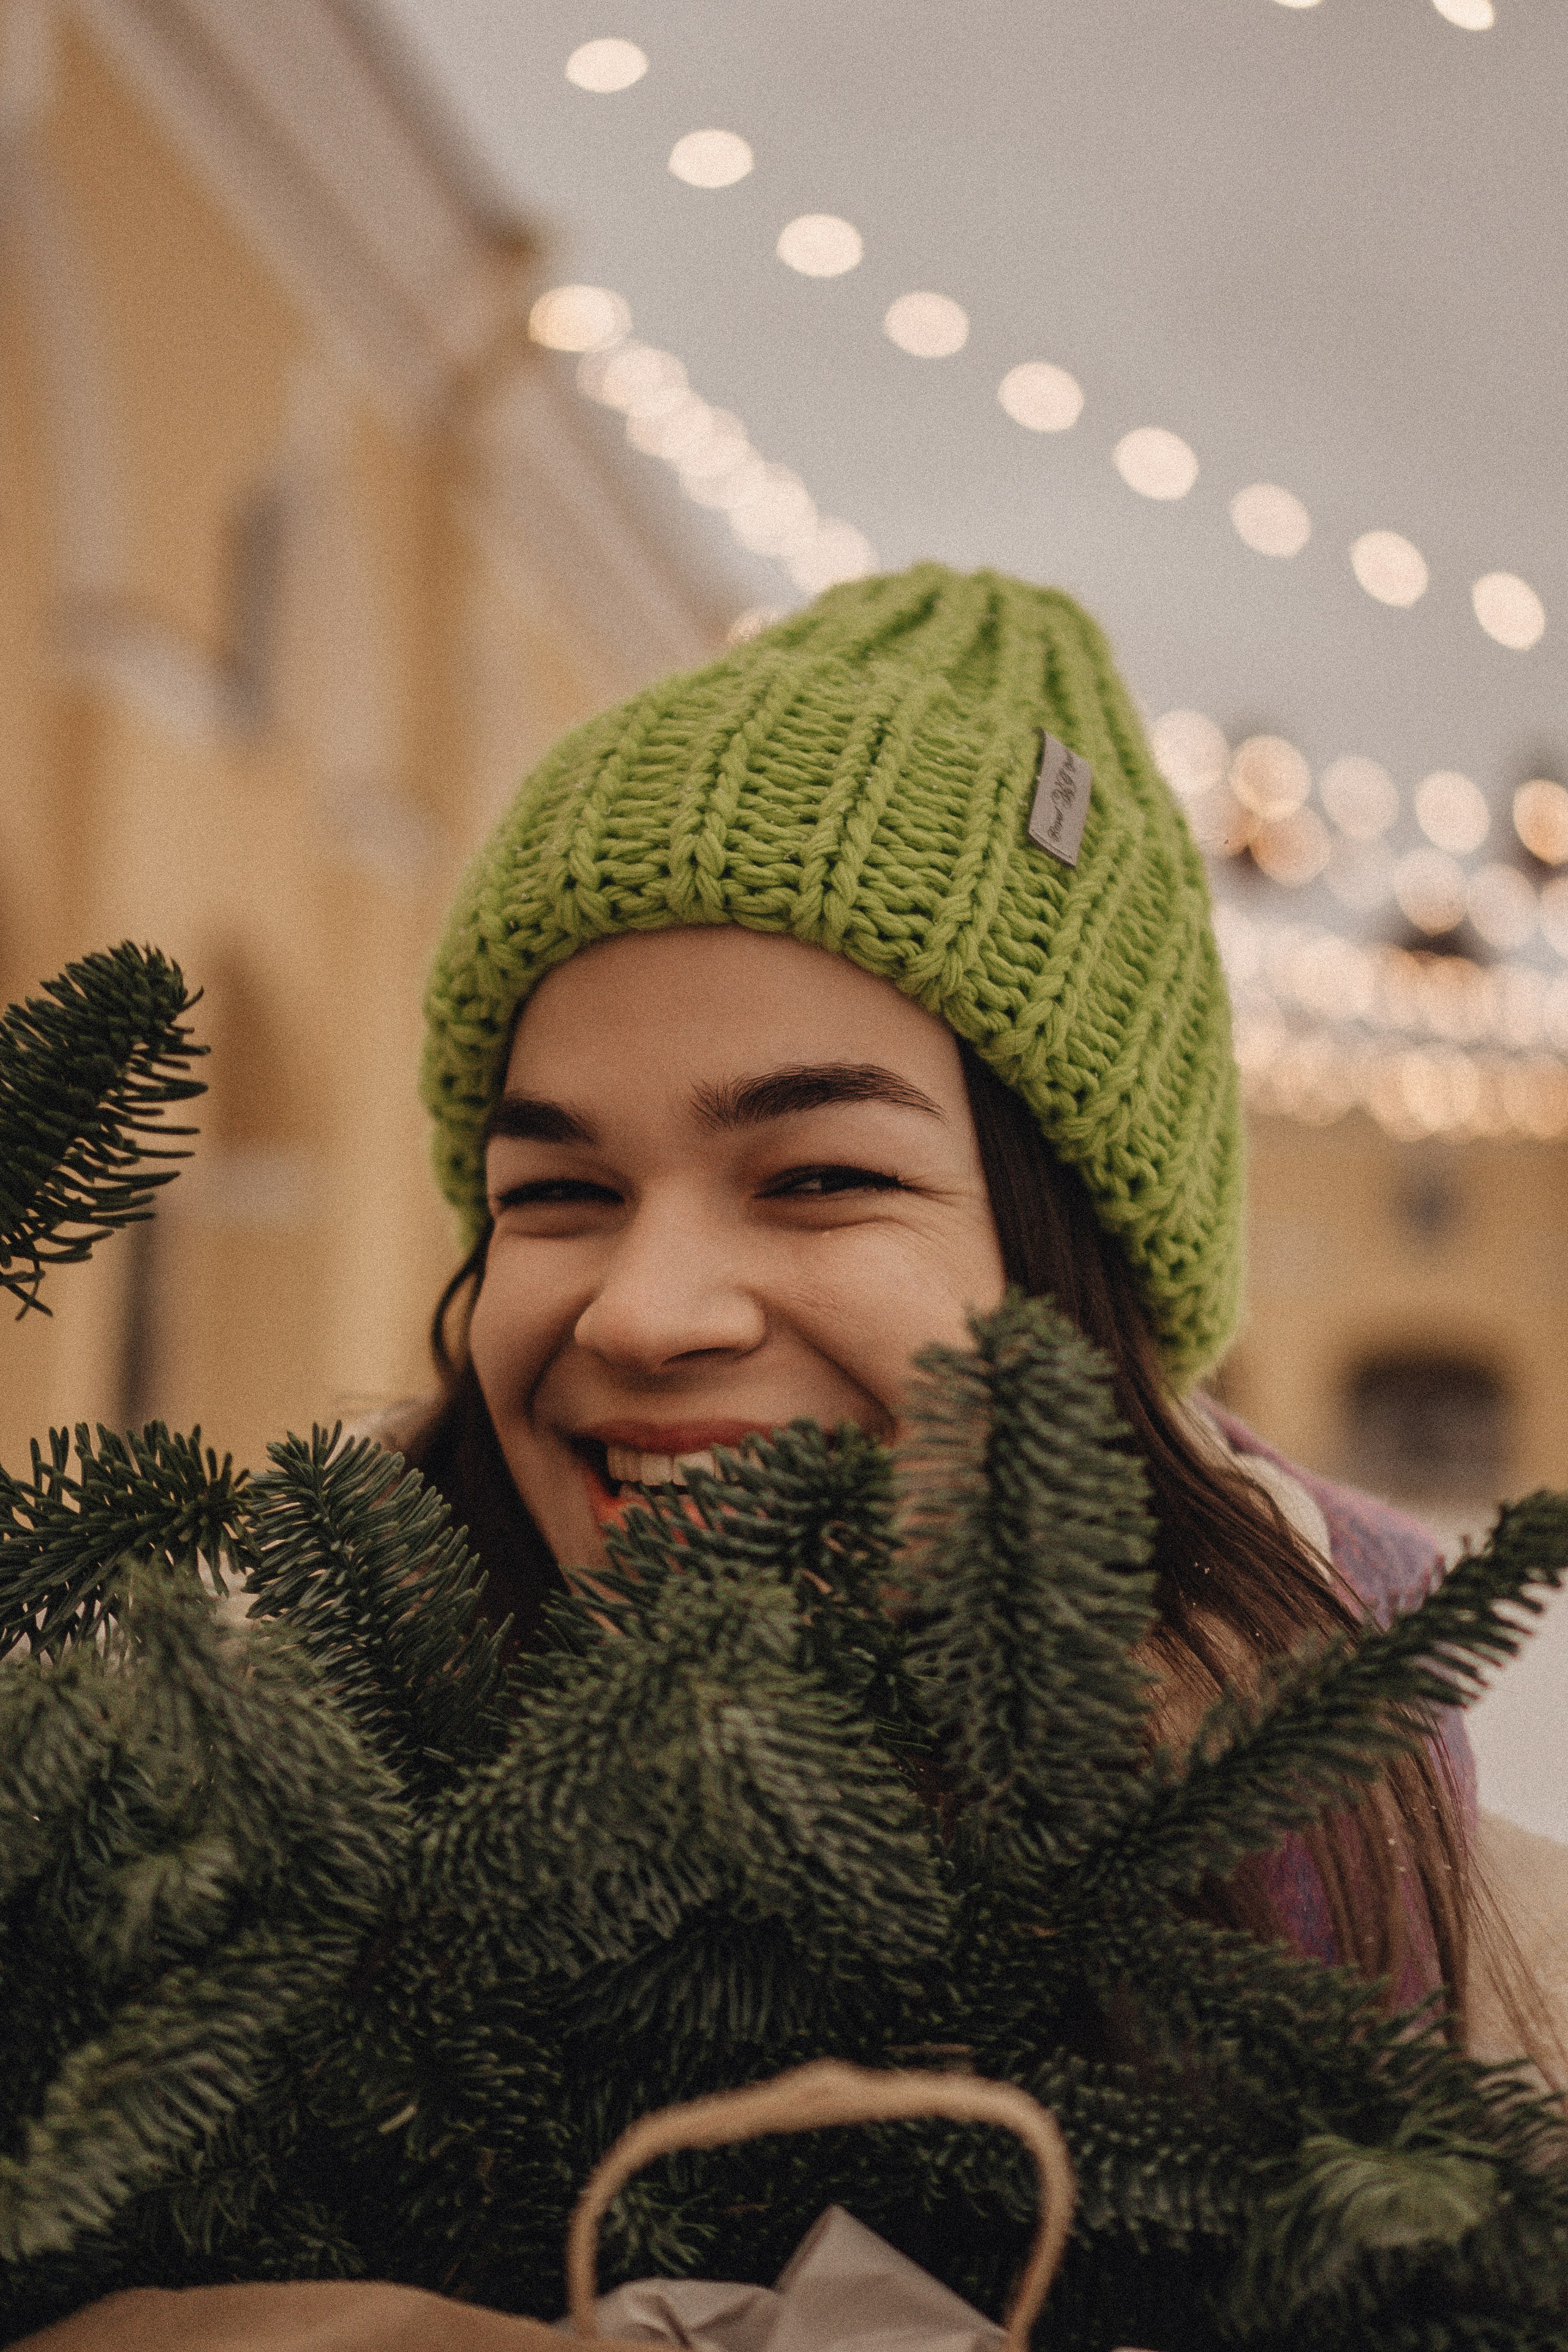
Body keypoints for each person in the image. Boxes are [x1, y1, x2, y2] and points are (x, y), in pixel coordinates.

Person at [32, 562, 1564, 2349]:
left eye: (820, 1176)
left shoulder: (1469, 1976)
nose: (643, 1310)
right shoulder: (142, 1853)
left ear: (1088, 1294)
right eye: (559, 1194)